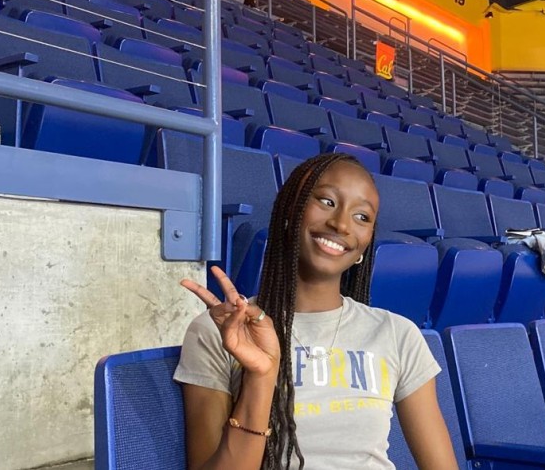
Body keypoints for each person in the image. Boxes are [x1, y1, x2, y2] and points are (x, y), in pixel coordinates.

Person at [174, 153, 456, 469]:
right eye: (326, 201)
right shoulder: (222, 331)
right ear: (288, 214)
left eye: (362, 217)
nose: (341, 224)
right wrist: (262, 377)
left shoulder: (398, 333)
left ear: (364, 247)